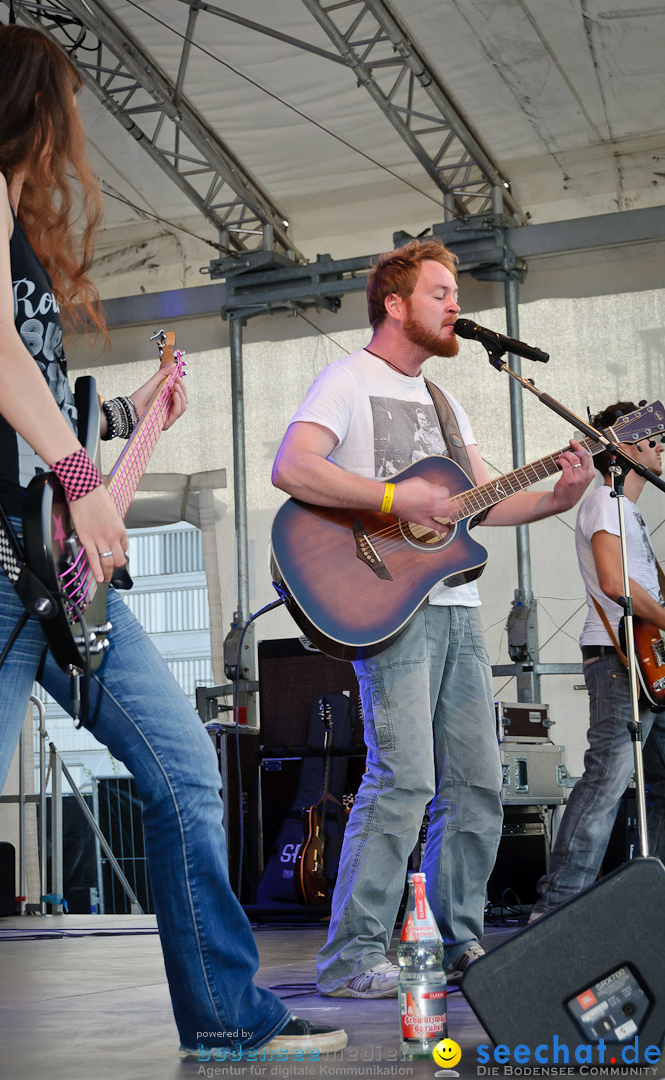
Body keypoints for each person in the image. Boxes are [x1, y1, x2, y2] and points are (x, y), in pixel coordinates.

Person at [0, 25, 346, 1057]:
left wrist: (133, 413)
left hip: (44, 566)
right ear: (30, 101)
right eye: (66, 107)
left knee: (184, 774)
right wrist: (83, 480)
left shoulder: (8, 222)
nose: (72, 134)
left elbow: (34, 401)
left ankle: (226, 1018)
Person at [272, 238, 594, 997]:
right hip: (382, 602)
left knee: (477, 785)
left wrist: (558, 496)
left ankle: (458, 943)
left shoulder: (446, 405)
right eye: (441, 292)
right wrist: (392, 500)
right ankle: (351, 958)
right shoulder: (347, 380)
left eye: (456, 294)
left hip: (450, 603)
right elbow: (292, 467)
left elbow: (480, 500)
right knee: (403, 780)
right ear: (395, 303)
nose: (457, 305)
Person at [530, 401, 665, 918]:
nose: (660, 448)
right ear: (625, 445)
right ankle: (556, 910)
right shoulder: (606, 503)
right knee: (605, 780)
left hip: (643, 660)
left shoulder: (627, 510)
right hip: (618, 657)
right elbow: (614, 584)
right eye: (653, 439)